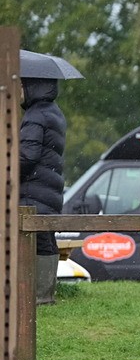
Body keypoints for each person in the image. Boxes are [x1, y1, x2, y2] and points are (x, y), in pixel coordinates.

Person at [19, 77, 67, 305]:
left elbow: (26, 157)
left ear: (31, 86)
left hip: (33, 190)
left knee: (37, 240)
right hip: (46, 188)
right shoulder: (52, 111)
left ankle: (39, 297)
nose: (17, 90)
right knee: (45, 239)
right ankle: (43, 295)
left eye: (20, 85)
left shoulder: (35, 115)